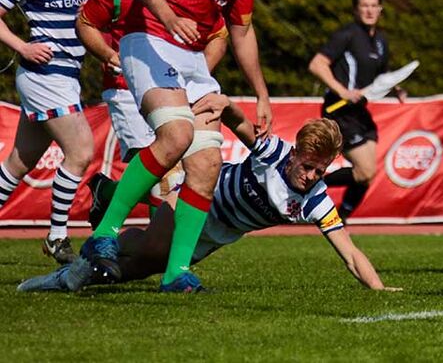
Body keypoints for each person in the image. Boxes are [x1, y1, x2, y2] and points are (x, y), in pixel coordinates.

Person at [80, 0, 273, 293]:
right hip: (149, 39)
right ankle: (103, 235)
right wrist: (169, 17)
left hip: (189, 56)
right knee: (177, 135)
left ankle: (176, 272)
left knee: (206, 164)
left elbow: (241, 31)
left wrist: (261, 95)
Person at [19, 101, 399, 293]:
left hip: (217, 235)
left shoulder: (316, 200)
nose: (313, 176)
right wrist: (223, 101)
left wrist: (380, 290)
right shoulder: (274, 153)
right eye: (310, 166)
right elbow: (240, 123)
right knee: (153, 246)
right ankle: (93, 248)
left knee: (136, 270)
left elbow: (349, 251)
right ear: (298, 151)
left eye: (321, 171)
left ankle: (72, 277)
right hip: (197, 199)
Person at [75, 0, 228, 220]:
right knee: (160, 178)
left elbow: (219, 34)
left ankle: (111, 198)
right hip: (124, 91)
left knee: (180, 173)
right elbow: (86, 22)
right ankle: (149, 251)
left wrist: (196, 74)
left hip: (172, 88)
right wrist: (108, 55)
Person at [0, 0, 100, 264]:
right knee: (82, 151)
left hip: (67, 77)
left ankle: (56, 236)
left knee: (18, 163)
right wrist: (23, 46)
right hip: (44, 77)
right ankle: (57, 237)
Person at [308, 0, 392, 219]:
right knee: (365, 171)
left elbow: (383, 74)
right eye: (364, 6)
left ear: (380, 9)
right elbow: (316, 64)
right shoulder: (346, 35)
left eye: (374, 6)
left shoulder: (381, 41)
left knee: (367, 174)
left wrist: (398, 88)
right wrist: (342, 91)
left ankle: (341, 218)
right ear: (356, 10)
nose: (369, 10)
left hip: (359, 113)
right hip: (339, 111)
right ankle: (312, 185)